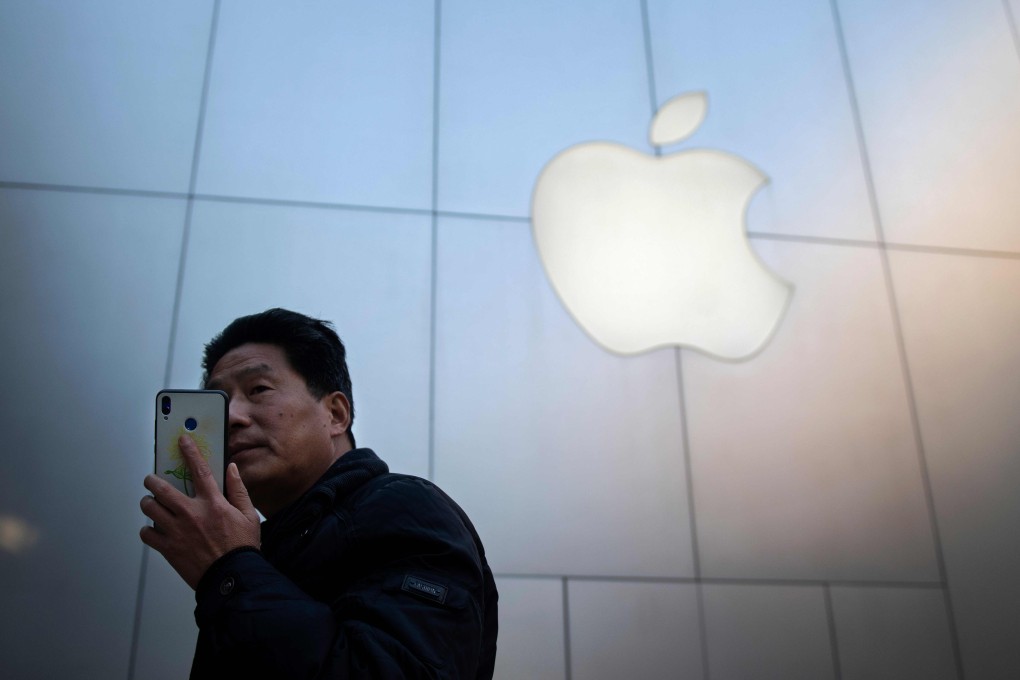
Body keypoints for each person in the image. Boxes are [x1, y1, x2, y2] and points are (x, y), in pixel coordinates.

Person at [140, 308, 498, 679]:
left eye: (259, 389)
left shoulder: (408, 506)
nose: (232, 416)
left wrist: (229, 569)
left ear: (336, 414)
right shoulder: (258, 552)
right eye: (219, 401)